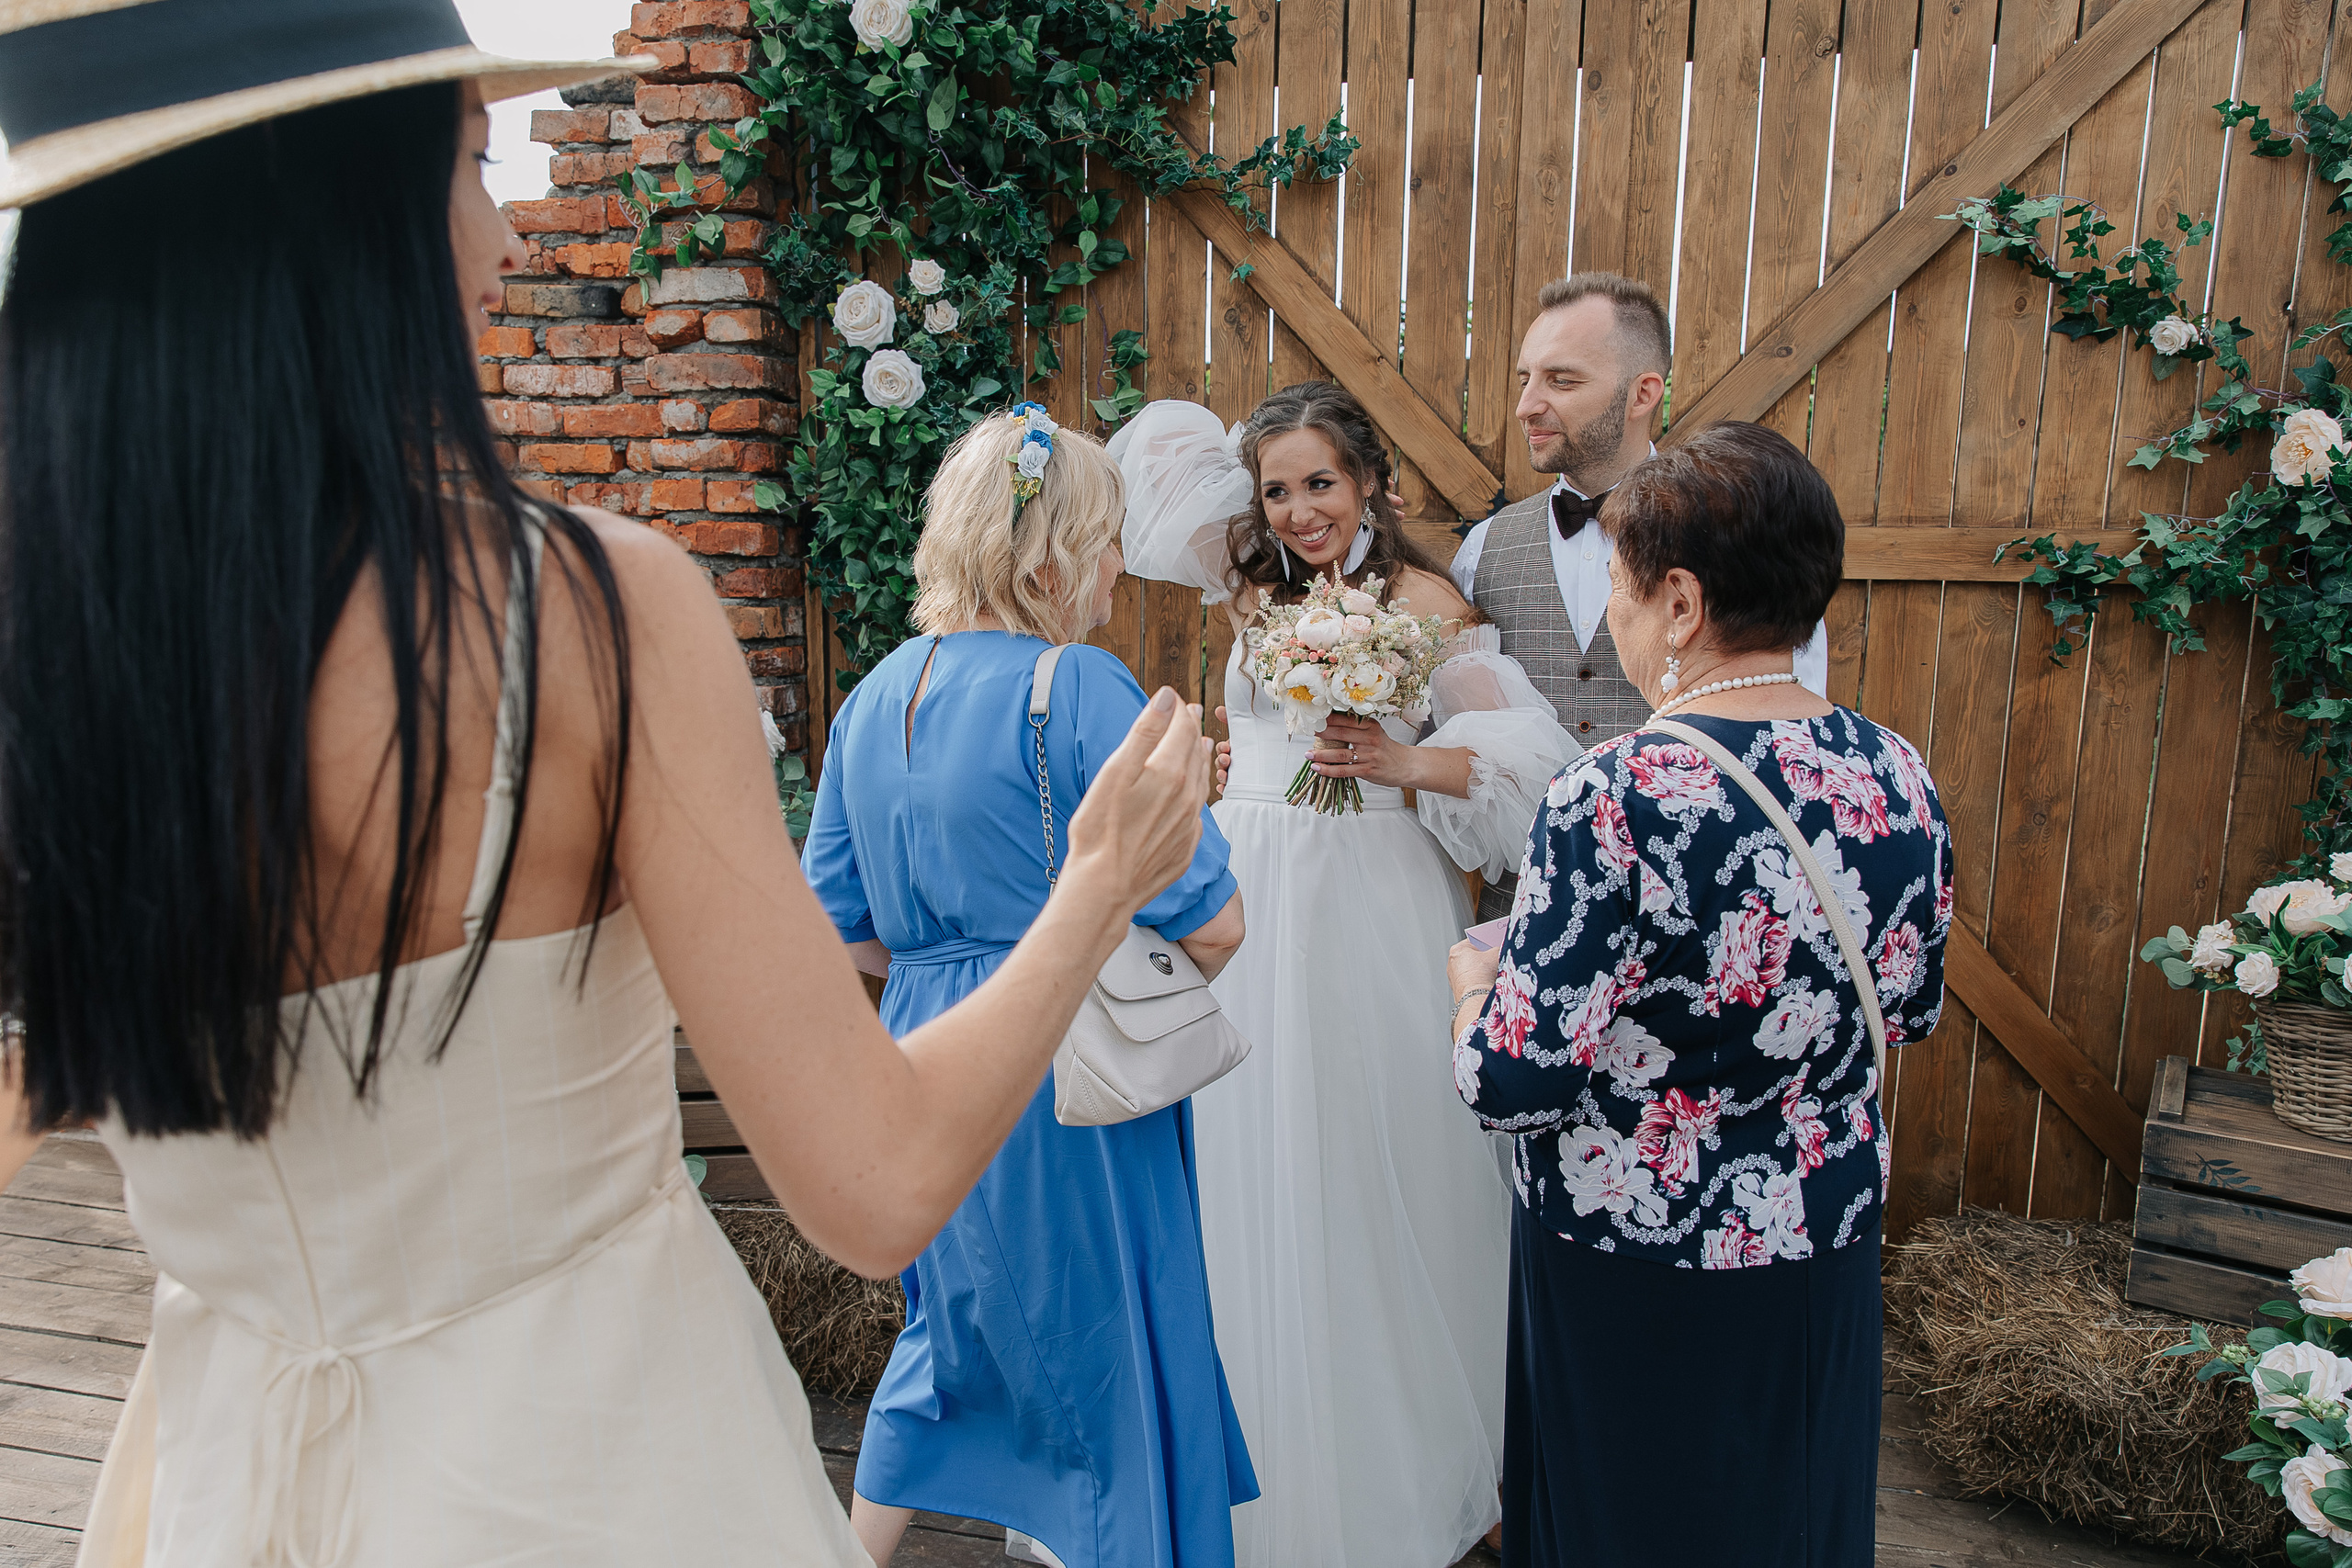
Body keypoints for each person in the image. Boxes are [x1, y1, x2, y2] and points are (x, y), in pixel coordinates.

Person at [0, 10, 1215, 1564]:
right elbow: (874, 1182)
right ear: (345, 220)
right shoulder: (580, 617)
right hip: (588, 1474)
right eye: (472, 166)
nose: (502, 239)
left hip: (226, 1484)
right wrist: (1100, 877)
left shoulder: (58, 654)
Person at [1444, 422, 1955, 1568]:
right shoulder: (1893, 767)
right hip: (1822, 1242)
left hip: (1639, 1261)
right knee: (1793, 1521)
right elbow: (1908, 1007)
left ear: (1678, 601)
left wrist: (1476, 986)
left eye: (1620, 590)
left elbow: (1514, 1084)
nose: (1618, 618)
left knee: (1636, 1526)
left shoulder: (1615, 793)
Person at [1110, 384, 1577, 1568]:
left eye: (1321, 481)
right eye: (1277, 489)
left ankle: (1414, 1468)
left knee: (1383, 1162)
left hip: (1371, 894)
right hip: (1253, 887)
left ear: (1369, 477)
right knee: (1249, 1156)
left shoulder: (1427, 603)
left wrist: (1400, 758)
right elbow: (1152, 475)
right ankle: (1255, 1455)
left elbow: (1532, 775)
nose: (1301, 509)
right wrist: (1229, 766)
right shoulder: (1248, 588)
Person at [799, 407, 1257, 1568]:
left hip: (916, 1052)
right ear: (1050, 553)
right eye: (1105, 541)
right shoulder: (1083, 688)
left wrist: (945, 961)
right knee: (1103, 1348)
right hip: (1060, 1068)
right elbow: (1216, 928)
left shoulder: (873, 698)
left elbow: (841, 933)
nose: (1114, 569)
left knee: (946, 1334)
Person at [1451, 274, 1829, 921]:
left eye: (1561, 381)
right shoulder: (1484, 549)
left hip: (1693, 917)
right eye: (1525, 379)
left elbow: (1785, 741)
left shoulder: (1736, 540)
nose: (1527, 405)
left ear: (1642, 393)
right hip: (1520, 917)